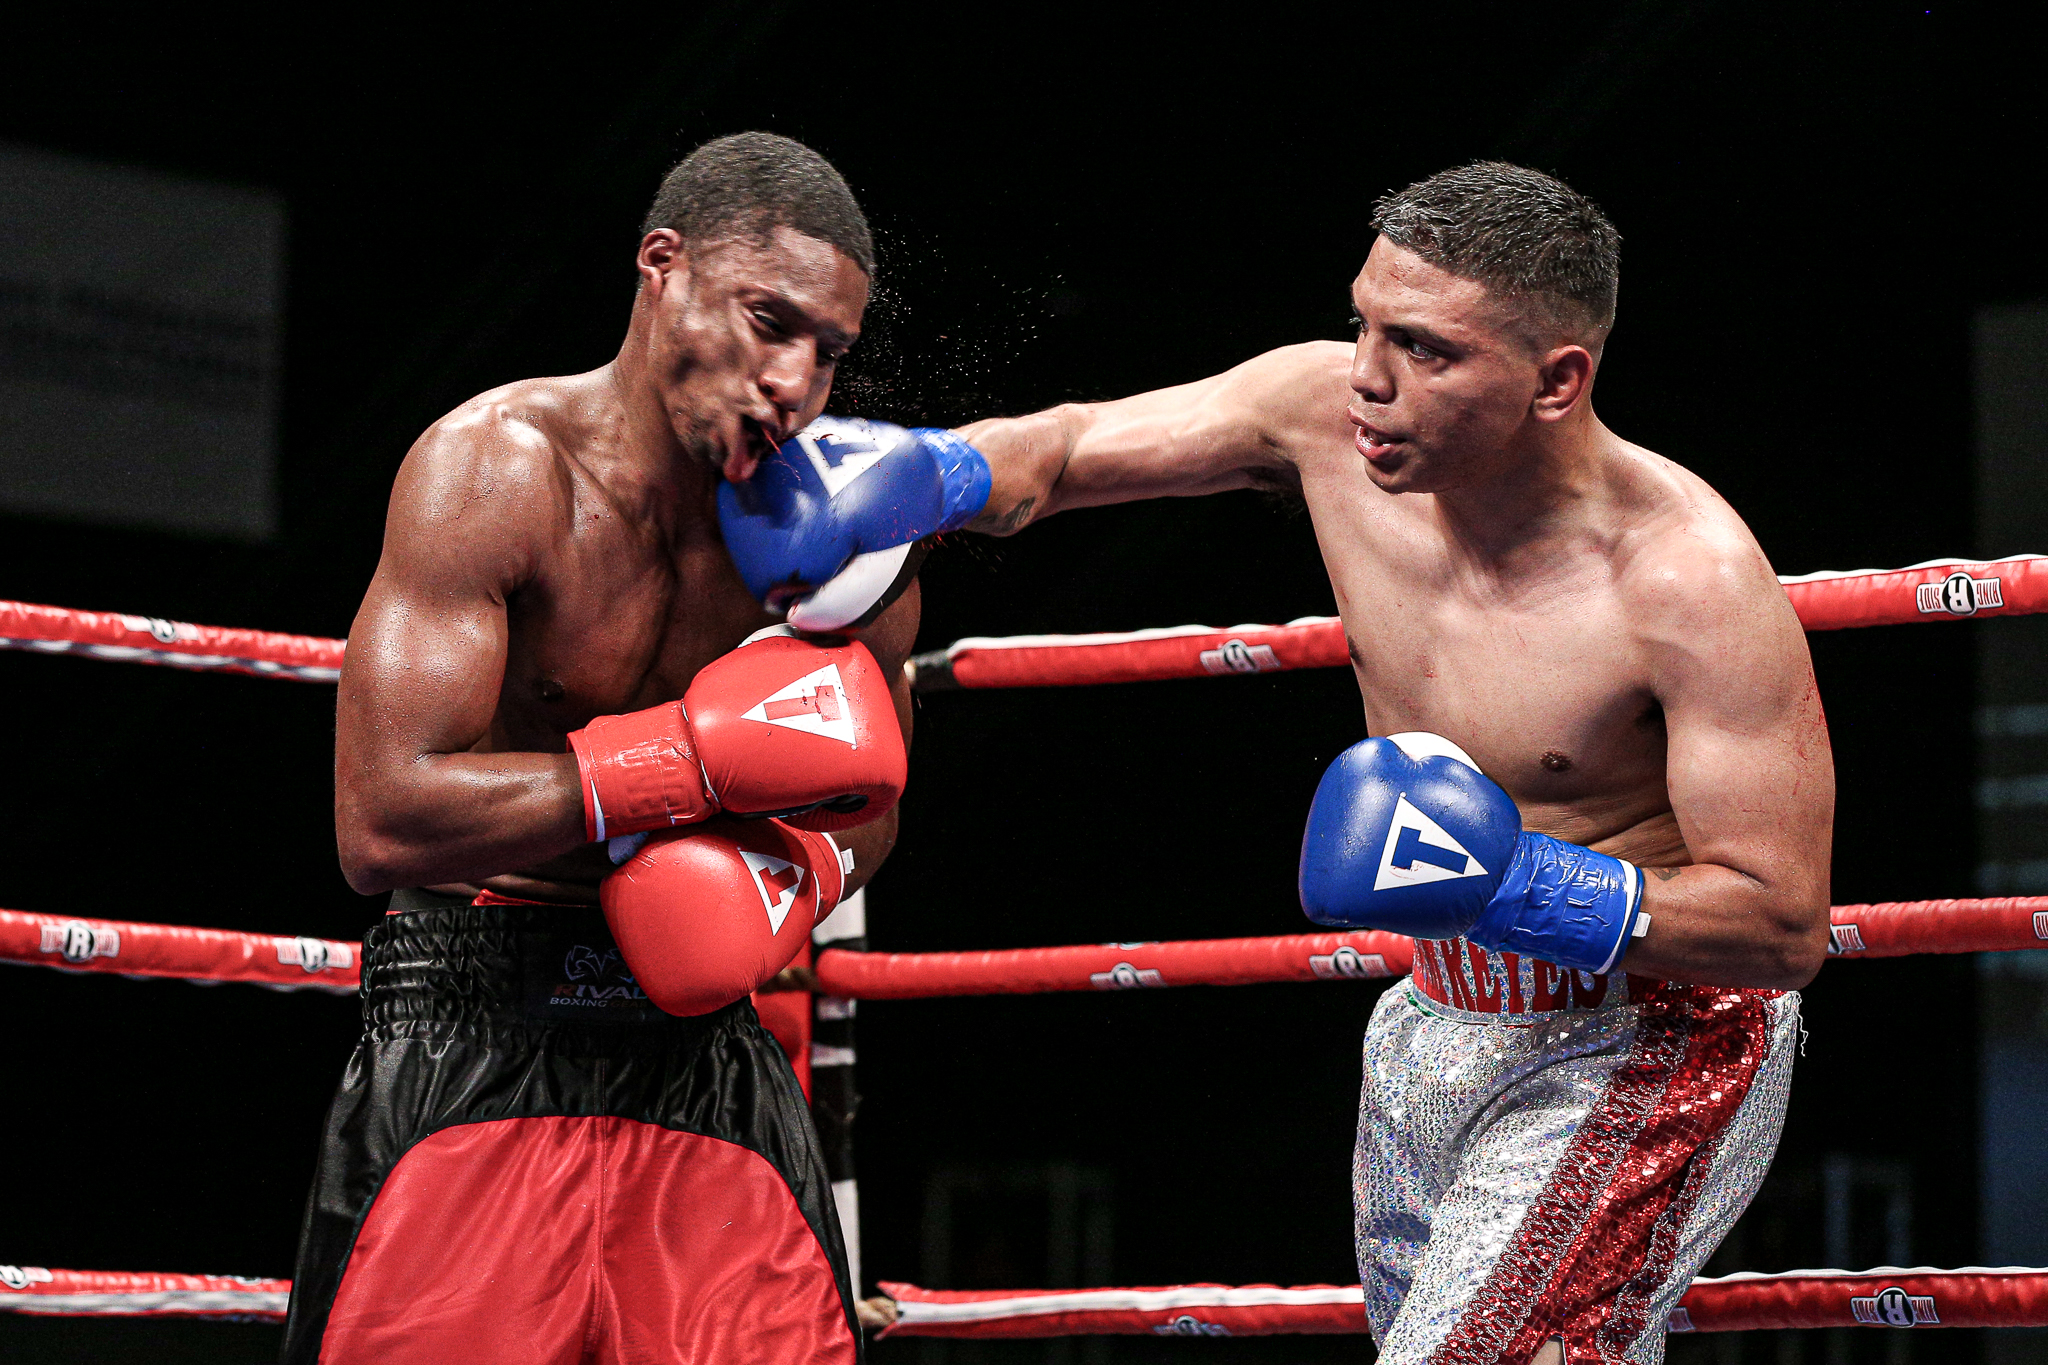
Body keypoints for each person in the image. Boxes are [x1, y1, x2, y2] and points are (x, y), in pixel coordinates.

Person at [722, 162, 1833, 1364]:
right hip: (1429, 1016)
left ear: (1557, 378)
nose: (1365, 373)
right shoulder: (1323, 415)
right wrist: (928, 475)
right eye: (1362, 320)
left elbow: (1780, 927)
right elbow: (1074, 447)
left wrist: (1514, 882)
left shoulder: (1687, 581)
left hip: (1641, 1038)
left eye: (1422, 348)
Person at [286, 132, 911, 1365]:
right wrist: (684, 763)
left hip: (708, 1055)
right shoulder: (495, 469)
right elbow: (379, 818)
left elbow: (871, 800)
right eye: (767, 321)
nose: (795, 381)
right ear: (661, 267)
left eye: (828, 353)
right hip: (473, 1029)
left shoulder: (844, 543)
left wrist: (781, 883)